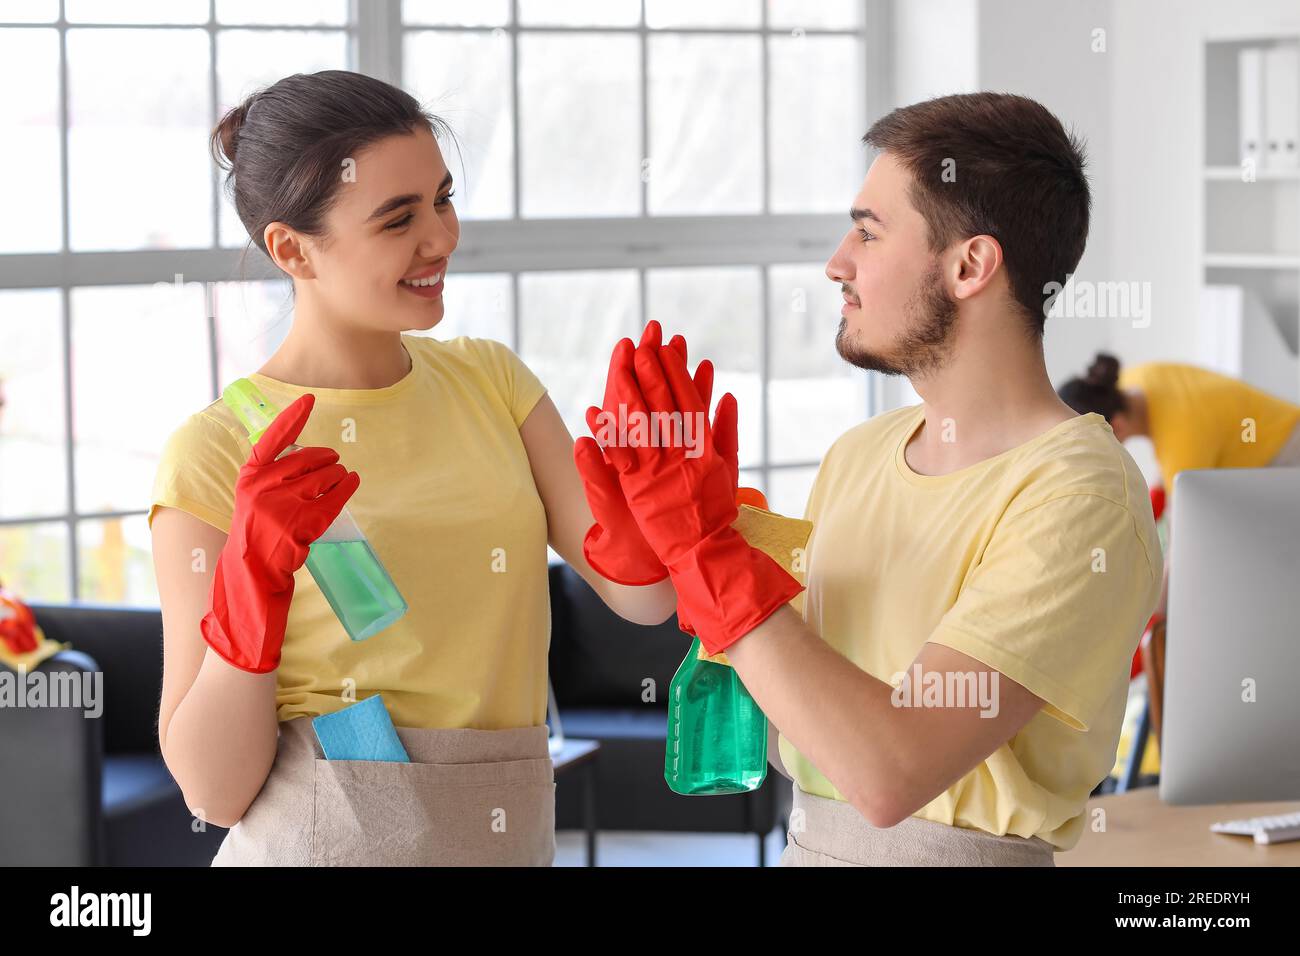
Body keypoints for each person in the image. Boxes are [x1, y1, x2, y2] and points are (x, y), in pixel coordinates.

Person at [576, 92, 1162, 865]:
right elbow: (791, 718)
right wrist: (676, 544)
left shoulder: (1081, 499)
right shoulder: (861, 455)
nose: (837, 263)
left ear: (969, 266)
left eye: (868, 230)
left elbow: (889, 772)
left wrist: (706, 554)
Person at [147, 70, 688, 866]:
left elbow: (643, 598)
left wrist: (661, 503)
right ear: (292, 249)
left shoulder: (492, 383)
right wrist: (248, 604)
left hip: (504, 835)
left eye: (442, 199)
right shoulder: (220, 450)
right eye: (398, 219)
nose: (440, 238)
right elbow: (214, 794)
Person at [1059, 354, 1300, 613]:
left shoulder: (1183, 444)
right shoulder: (1135, 380)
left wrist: (1150, 615)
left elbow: (1181, 549)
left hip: (1287, 455)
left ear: (1116, 426)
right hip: (1281, 428)